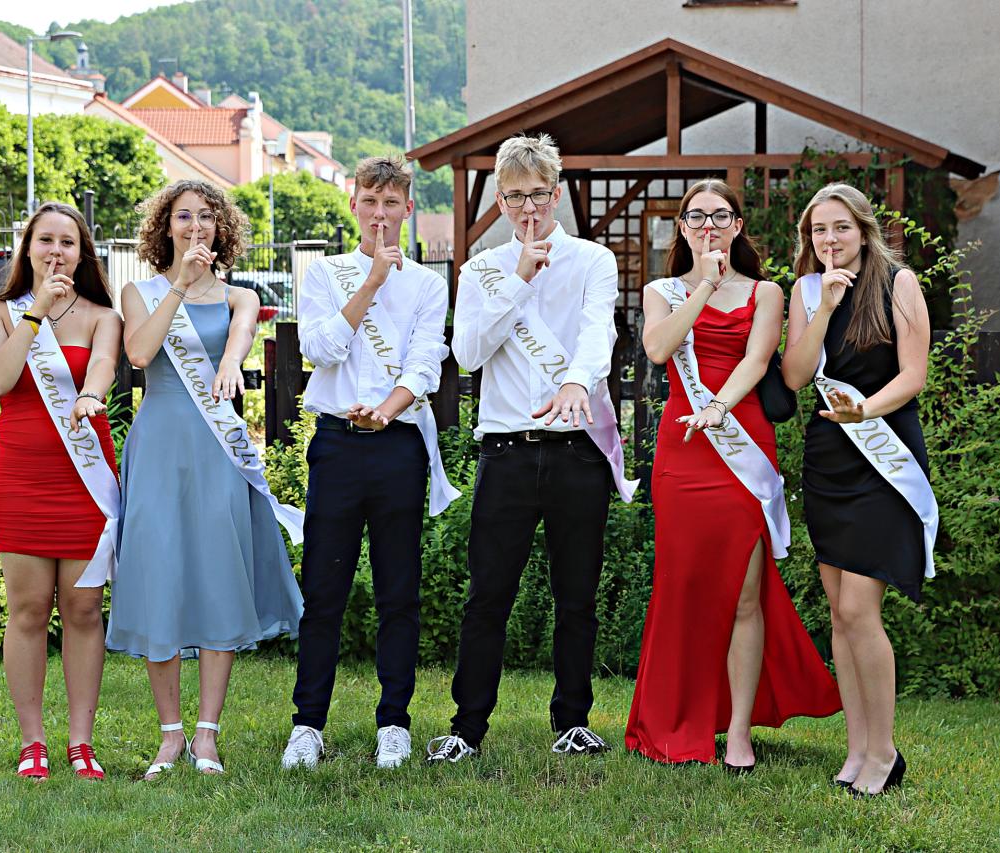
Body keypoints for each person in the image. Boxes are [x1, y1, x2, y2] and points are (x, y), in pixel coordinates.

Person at [425, 133, 637, 763]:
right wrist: (517, 279)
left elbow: (599, 333)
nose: (528, 208)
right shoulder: (481, 269)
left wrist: (577, 381)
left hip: (577, 450)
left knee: (577, 595)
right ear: (499, 199)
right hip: (507, 452)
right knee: (488, 595)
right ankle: (466, 728)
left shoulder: (594, 261)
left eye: (538, 194)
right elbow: (468, 353)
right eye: (514, 196)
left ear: (557, 192)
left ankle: (573, 720)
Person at [624, 180, 841, 770]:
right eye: (696, 217)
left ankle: (739, 730)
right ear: (682, 228)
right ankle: (678, 718)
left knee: (746, 591)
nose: (709, 226)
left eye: (720, 216)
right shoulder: (661, 292)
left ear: (737, 225)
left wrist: (719, 407)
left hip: (740, 441)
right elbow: (659, 350)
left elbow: (758, 358)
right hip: (683, 450)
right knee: (683, 588)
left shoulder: (768, 292)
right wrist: (704, 286)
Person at [106, 180, 304, 779]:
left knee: (220, 575)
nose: (196, 225)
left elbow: (239, 341)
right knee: (159, 575)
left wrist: (228, 363)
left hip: (217, 449)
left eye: (207, 217)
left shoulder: (241, 296)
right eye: (183, 216)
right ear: (165, 226)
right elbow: (140, 354)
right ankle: (169, 735)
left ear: (221, 229)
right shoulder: (139, 291)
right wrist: (181, 286)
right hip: (160, 449)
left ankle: (207, 734)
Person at [281, 155, 456, 771]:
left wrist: (386, 410)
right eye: (370, 202)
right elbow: (319, 348)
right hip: (335, 444)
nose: (380, 215)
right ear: (353, 204)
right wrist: (372, 283)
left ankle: (394, 722)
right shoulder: (325, 273)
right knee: (323, 590)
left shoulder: (428, 285)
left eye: (391, 204)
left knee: (397, 591)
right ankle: (308, 724)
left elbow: (426, 364)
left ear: (408, 208)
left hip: (397, 443)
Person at [781, 182, 937, 797]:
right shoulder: (806, 290)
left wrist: (864, 410)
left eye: (841, 227)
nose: (830, 239)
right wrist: (822, 308)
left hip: (883, 457)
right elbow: (796, 377)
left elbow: (914, 374)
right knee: (838, 616)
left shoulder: (898, 283)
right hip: (828, 462)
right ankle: (857, 748)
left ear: (864, 231)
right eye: (819, 230)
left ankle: (885, 753)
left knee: (857, 611)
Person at [0, 201, 123, 781]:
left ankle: (81, 743)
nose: (56, 251)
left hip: (85, 478)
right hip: (22, 478)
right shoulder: (0, 313)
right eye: (46, 240)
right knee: (29, 608)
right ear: (29, 248)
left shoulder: (102, 315)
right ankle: (32, 741)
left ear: (82, 253)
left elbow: (103, 366)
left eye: (68, 242)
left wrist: (90, 395)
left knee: (84, 609)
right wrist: (34, 313)